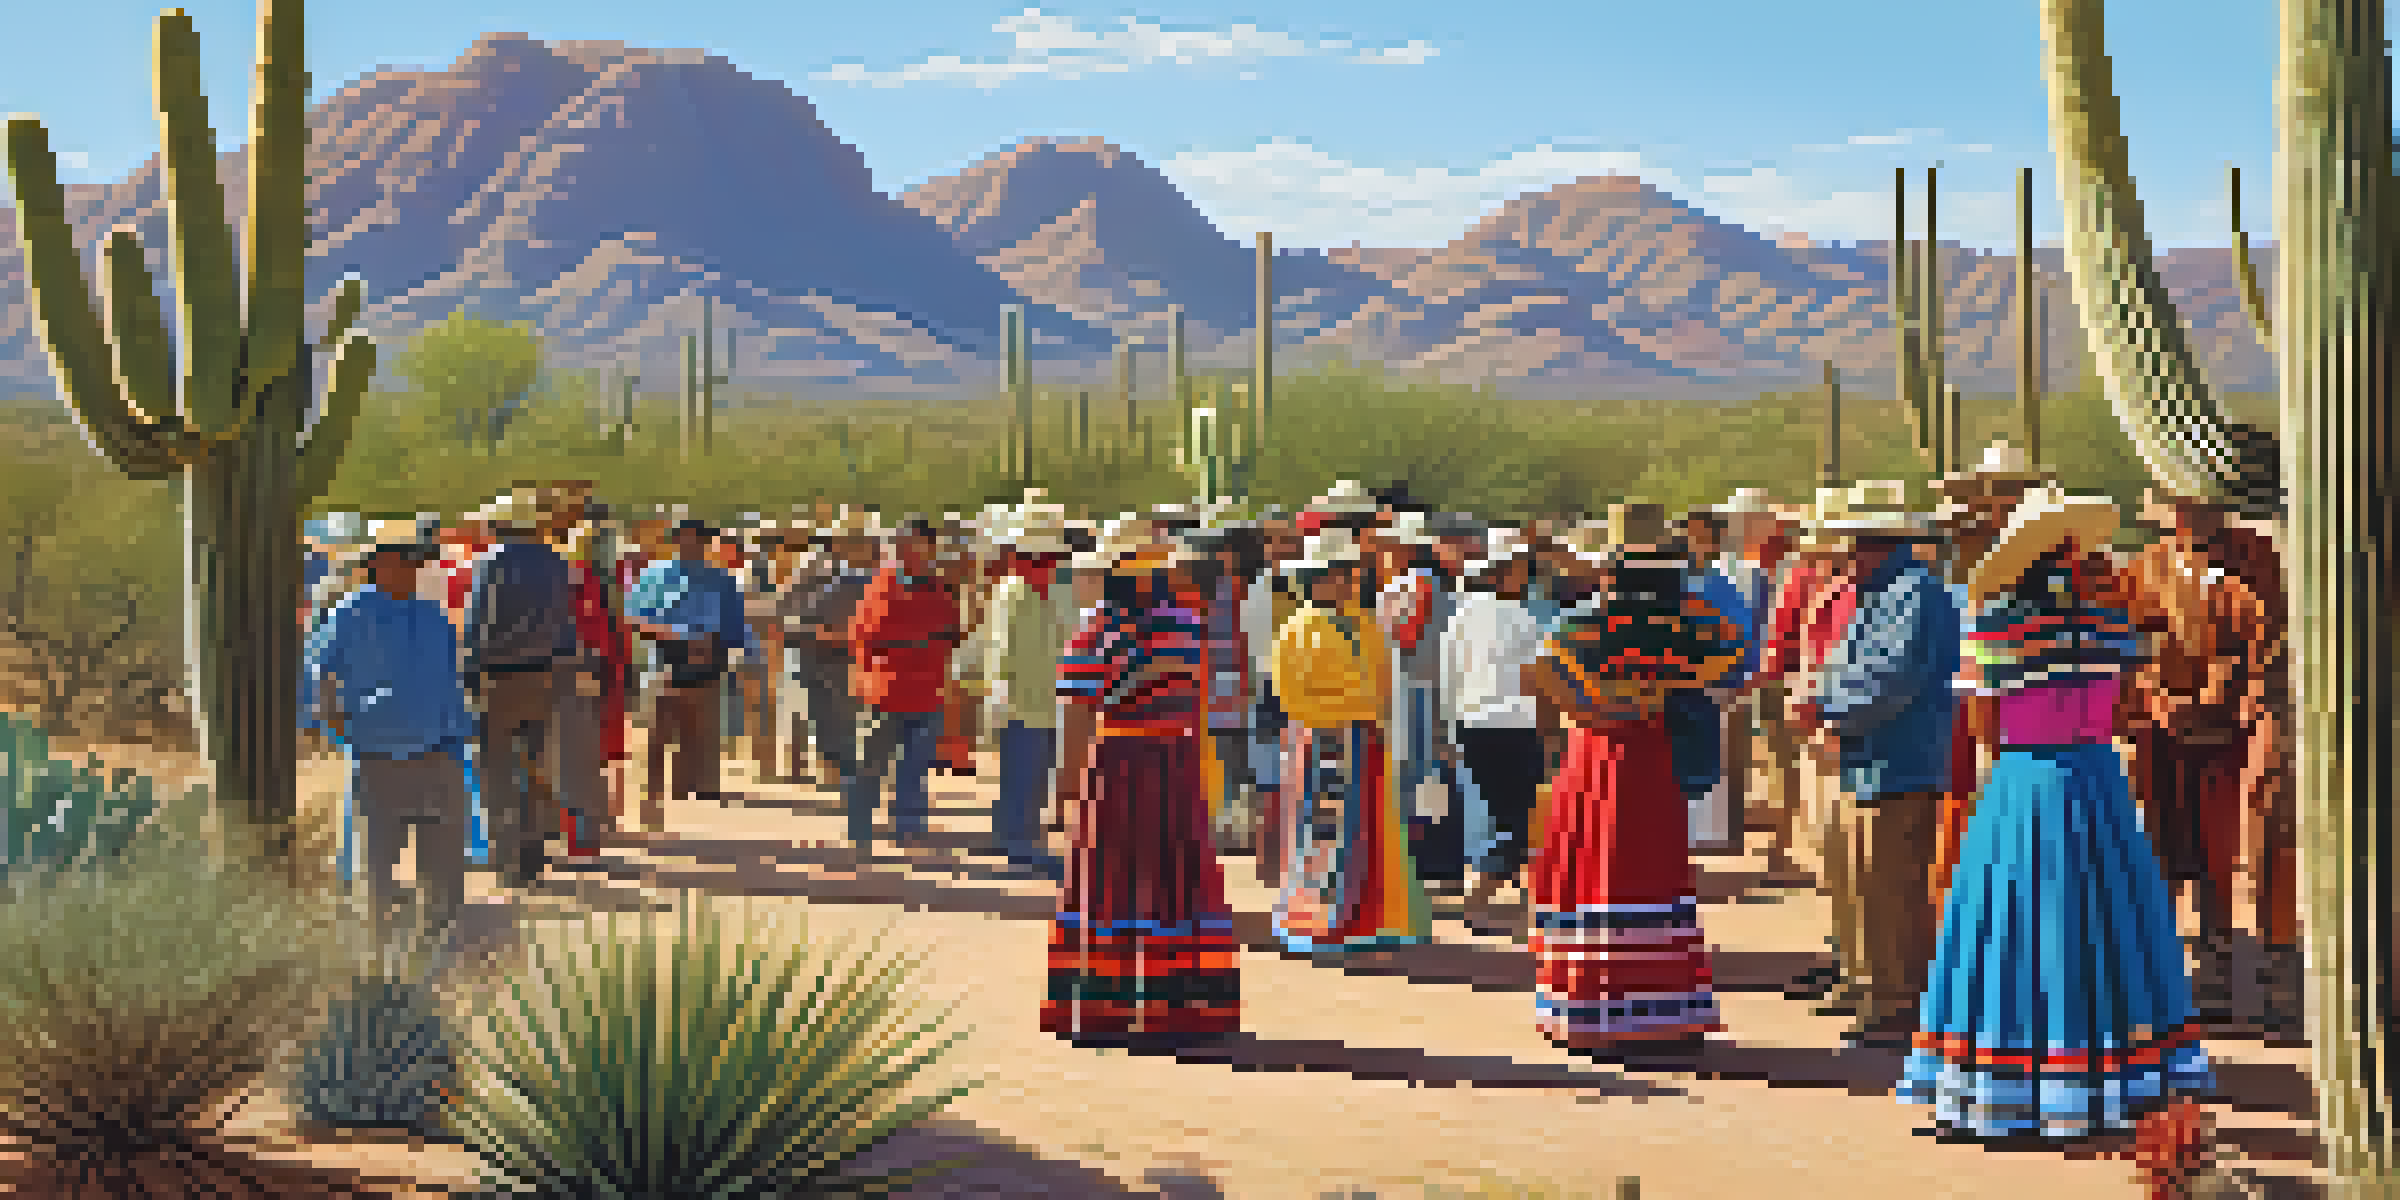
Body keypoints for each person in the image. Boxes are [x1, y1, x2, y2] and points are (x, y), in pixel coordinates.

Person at [1900, 487, 2214, 1144]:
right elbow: (2129, 703)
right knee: (2102, 924)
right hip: (2096, 782)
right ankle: (2105, 1080)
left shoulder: (1994, 629)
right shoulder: (2108, 629)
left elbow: (1984, 725)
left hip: (2023, 785)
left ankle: (2007, 1083)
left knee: (2011, 926)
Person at [1519, 536, 1747, 1061]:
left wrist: (1592, 713)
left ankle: (1589, 1005)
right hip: (1652, 753)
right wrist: (1662, 695)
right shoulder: (1695, 622)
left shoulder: (1588, 623)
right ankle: (1661, 1010)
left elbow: (1540, 674)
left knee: (1596, 866)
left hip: (1597, 752)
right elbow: (1734, 663)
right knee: (1650, 872)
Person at [1043, 523, 1240, 1047]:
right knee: (1172, 878)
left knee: (1111, 881)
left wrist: (1064, 787)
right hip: (1173, 763)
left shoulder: (1097, 634)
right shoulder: (1186, 626)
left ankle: (1109, 1006)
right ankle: (1181, 1004)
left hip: (1117, 765)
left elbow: (1079, 716)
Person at [1788, 485, 1959, 1050]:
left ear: (1874, 545)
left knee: (1891, 885)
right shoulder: (1890, 593)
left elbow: (1892, 678)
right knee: (1874, 882)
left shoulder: (1909, 596)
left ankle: (1896, 1003)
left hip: (1898, 759)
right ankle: (1885, 994)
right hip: (1879, 756)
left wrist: (1823, 706)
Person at [2122, 489, 2290, 1030]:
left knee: (2222, 842)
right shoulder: (2146, 568)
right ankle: (2175, 967)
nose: (2188, 516)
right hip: (2162, 729)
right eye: (2177, 506)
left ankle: (2223, 958)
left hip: (2231, 726)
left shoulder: (2256, 559)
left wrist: (2222, 694)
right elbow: (2133, 642)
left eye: (2196, 505)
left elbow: (2265, 633)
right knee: (2163, 839)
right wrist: (2159, 697)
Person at [307, 520, 477, 940]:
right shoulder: (349, 613)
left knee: (444, 863)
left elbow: (450, 676)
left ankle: (436, 944)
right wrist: (341, 730)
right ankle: (379, 955)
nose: (415, 569)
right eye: (406, 560)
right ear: (379, 563)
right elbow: (320, 675)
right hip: (380, 758)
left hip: (441, 755)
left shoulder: (433, 614)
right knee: (379, 862)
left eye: (418, 562)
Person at [1268, 526, 1432, 953]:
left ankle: (1374, 919)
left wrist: (1372, 719)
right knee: (1321, 836)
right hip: (1322, 740)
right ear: (1313, 580)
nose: (1343, 581)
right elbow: (1290, 693)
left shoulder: (1367, 624)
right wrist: (1341, 714)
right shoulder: (1296, 630)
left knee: (1370, 833)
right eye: (1333, 573)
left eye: (1347, 572)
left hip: (1365, 741)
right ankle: (1318, 923)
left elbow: (1382, 684)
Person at [1929, 442, 2051, 911]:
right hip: (1966, 691)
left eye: (2010, 490)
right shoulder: (1959, 563)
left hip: (2009, 692)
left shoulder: (2032, 563)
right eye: (1995, 490)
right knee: (1960, 802)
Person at [462, 489, 578, 889]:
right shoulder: (557, 563)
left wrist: (469, 674)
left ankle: (507, 857)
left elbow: (478, 623)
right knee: (536, 764)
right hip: (546, 675)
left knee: (496, 770)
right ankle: (533, 849)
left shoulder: (491, 563)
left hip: (499, 678)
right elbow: (567, 625)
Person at [961, 502, 1078, 879]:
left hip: (1051, 698)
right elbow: (995, 644)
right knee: (1021, 772)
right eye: (1030, 555)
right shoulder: (1010, 591)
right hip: (1016, 700)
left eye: (1045, 556)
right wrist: (989, 690)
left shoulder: (1064, 589)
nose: (1037, 562)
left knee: (1035, 773)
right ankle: (1019, 844)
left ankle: (1015, 837)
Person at [1441, 527, 1545, 934]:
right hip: (1516, 724)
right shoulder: (1521, 616)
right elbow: (1538, 675)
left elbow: (1447, 674)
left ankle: (1480, 903)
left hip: (1472, 723)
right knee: (1521, 816)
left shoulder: (1463, 613)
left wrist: (1450, 729)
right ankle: (1513, 906)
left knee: (1488, 813)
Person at [843, 517, 964, 861]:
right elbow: (861, 635)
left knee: (914, 767)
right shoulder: (881, 584)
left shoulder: (940, 590)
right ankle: (860, 830)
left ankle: (908, 829)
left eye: (911, 543)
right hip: (884, 693)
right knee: (870, 763)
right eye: (899, 543)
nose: (903, 549)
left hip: (927, 692)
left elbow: (952, 634)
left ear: (928, 547)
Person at [626, 518, 756, 825]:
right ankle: (653, 797)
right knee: (659, 733)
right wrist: (679, 634)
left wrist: (740, 654)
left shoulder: (721, 580)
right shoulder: (654, 576)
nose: (690, 544)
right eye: (684, 538)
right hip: (664, 663)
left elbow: (736, 627)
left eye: (697, 538)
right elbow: (634, 619)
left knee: (704, 732)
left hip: (709, 665)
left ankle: (702, 800)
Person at [1379, 511, 1467, 893]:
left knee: (1412, 776)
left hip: (1409, 691)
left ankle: (1415, 860)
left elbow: (1389, 646)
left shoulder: (1398, 592)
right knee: (1439, 775)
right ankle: (1442, 861)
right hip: (1445, 691)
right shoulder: (1451, 591)